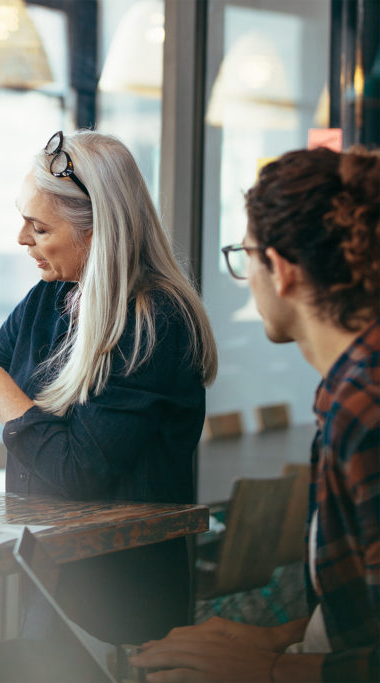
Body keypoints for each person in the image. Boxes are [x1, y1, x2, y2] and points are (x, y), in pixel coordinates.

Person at [0, 131, 217, 660]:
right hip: (50, 580)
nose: (21, 239)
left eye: (40, 226)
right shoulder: (47, 301)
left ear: (99, 230)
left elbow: (77, 471)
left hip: (120, 607)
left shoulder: (154, 322)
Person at [132, 147, 379, 682]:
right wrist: (273, 636)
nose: (245, 275)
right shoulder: (345, 390)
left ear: (282, 270)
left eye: (243, 255)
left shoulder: (366, 407)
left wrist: (265, 669)